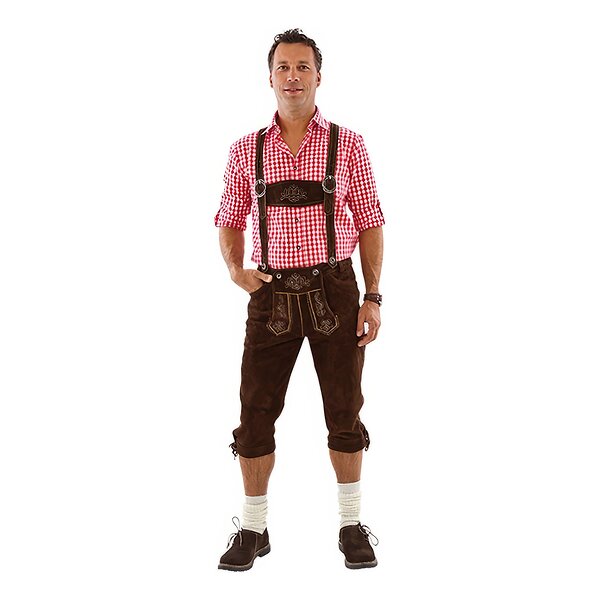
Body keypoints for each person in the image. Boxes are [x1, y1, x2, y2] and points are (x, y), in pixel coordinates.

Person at [214, 28, 385, 571]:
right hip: (271, 297)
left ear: (318, 76)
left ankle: (351, 525)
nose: (293, 77)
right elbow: (228, 217)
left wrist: (373, 296)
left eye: (302, 67)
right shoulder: (247, 150)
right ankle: (253, 527)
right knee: (255, 413)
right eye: (283, 67)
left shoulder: (348, 143)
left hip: (335, 291)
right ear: (270, 77)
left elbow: (371, 220)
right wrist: (236, 272)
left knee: (345, 410)